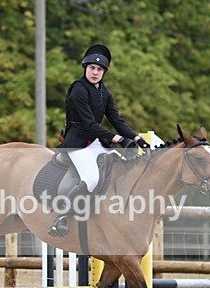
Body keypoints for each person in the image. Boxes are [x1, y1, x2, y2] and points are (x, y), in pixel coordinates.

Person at [48, 44, 151, 238]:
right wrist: (119, 139)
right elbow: (88, 123)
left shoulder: (105, 92)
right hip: (77, 142)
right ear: (85, 68)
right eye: (92, 68)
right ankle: (61, 218)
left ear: (104, 72)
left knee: (120, 166)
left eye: (99, 69)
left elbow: (116, 120)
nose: (95, 72)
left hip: (95, 142)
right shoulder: (78, 89)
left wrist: (137, 138)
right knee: (92, 178)